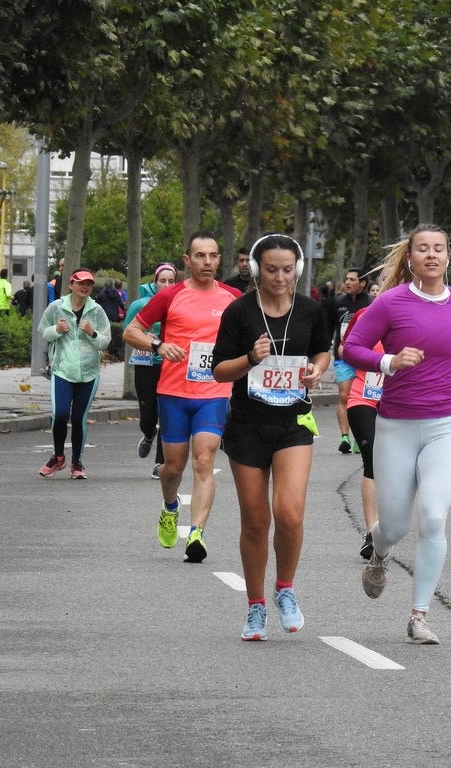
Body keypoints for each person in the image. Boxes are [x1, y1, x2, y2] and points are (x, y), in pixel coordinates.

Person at [343, 223, 451, 644]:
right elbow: (352, 347)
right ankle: (379, 553)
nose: (431, 255)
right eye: (423, 249)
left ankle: (419, 615)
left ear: (449, 257)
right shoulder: (391, 303)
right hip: (394, 425)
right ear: (410, 258)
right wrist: (389, 362)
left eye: (439, 249)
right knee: (393, 526)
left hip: (445, 425)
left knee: (433, 515)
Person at [211, 234, 330, 640]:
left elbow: (322, 352)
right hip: (247, 424)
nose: (279, 277)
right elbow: (219, 371)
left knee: (290, 513)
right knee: (256, 522)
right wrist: (250, 358)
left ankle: (286, 589)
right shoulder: (239, 312)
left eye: (286, 269)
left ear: (297, 269)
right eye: (271, 269)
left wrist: (316, 370)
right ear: (258, 270)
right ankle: (255, 607)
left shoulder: (311, 310)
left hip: (293, 421)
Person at [122, 232, 242, 563]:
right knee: (172, 467)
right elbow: (130, 331)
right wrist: (158, 345)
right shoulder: (171, 295)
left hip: (213, 393)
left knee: (204, 459)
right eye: (200, 256)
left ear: (220, 260)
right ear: (187, 261)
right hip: (174, 392)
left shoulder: (233, 297)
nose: (208, 262)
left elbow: (254, 335)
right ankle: (170, 506)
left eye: (213, 256)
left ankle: (197, 533)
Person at [37, 269, 110, 479]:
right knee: (60, 414)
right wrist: (56, 330)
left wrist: (92, 333)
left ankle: (77, 463)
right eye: (80, 283)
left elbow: (105, 340)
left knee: (79, 418)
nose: (85, 287)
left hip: (89, 373)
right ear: (71, 284)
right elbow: (43, 331)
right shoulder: (56, 307)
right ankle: (58, 456)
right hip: (62, 370)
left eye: (88, 284)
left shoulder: (96, 310)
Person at [124, 262, 177, 479]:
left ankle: (159, 463)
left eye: (171, 281)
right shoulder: (140, 305)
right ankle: (148, 433)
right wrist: (148, 339)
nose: (166, 285)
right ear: (154, 282)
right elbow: (128, 332)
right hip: (146, 364)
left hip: (170, 364)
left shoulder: (179, 303)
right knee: (148, 415)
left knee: (167, 413)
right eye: (162, 280)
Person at [342, 305, 385, 560]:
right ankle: (371, 533)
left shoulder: (418, 315)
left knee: (395, 468)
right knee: (372, 460)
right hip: (363, 398)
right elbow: (345, 350)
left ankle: (388, 526)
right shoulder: (363, 315)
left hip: (400, 404)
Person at [329, 269, 371, 454]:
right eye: (346, 278)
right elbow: (329, 327)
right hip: (343, 357)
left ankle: (358, 437)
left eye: (352, 279)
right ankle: (344, 437)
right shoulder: (338, 303)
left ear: (362, 283)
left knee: (361, 398)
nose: (347, 282)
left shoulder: (371, 303)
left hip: (364, 357)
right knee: (344, 396)